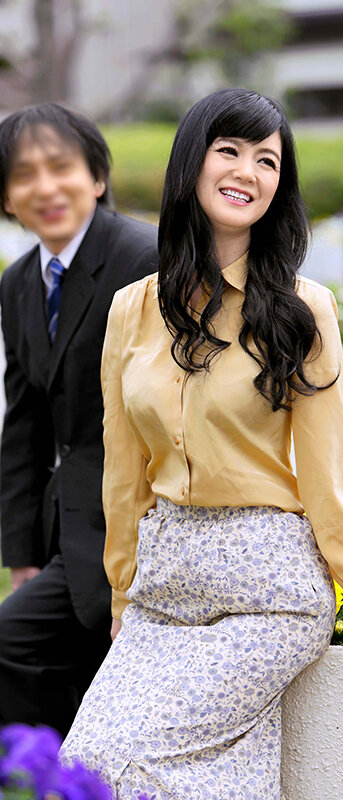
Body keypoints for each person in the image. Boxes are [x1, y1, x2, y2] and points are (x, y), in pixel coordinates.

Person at [59, 88, 343, 798]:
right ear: (193, 163)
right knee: (86, 767)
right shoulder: (131, 309)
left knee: (125, 761)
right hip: (162, 591)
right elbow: (123, 468)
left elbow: (331, 463)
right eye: (230, 150)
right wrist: (122, 592)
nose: (248, 171)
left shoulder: (302, 308)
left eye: (268, 160)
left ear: (279, 184)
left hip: (267, 589)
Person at [0, 103, 158, 736]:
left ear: (96, 176)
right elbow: (25, 423)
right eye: (23, 175)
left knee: (21, 646)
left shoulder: (145, 257)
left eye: (60, 167)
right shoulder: (19, 282)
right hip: (67, 531)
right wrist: (22, 554)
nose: (45, 188)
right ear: (7, 198)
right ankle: (58, 776)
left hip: (142, 526)